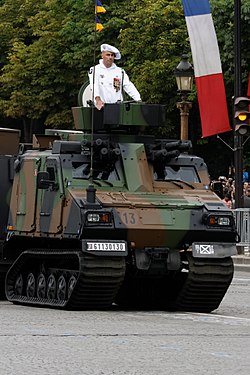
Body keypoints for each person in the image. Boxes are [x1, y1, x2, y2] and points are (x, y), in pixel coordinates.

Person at [88, 43, 141, 110]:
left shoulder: (120, 71)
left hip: (117, 107)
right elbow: (94, 86)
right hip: (101, 107)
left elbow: (128, 85)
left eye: (112, 55)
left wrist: (138, 99)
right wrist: (97, 99)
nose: (110, 57)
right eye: (108, 55)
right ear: (102, 55)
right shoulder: (95, 70)